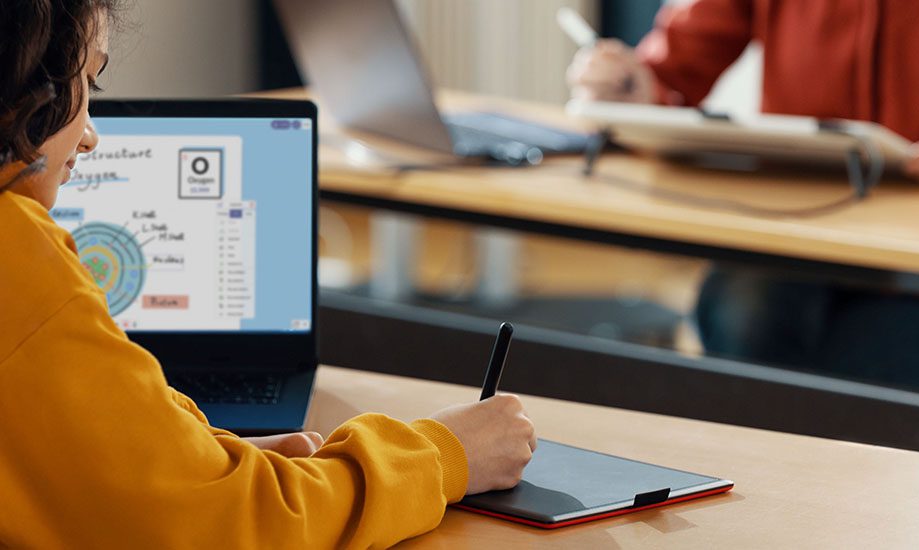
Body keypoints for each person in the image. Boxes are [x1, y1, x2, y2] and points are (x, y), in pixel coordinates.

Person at [0, 1, 535, 547]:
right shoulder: (16, 250)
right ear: (26, 84)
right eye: (85, 81)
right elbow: (235, 525)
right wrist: (446, 453)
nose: (89, 135)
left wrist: (198, 461)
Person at [568, 0, 919, 412]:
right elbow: (668, 76)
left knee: (769, 373)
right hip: (795, 270)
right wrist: (630, 88)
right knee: (741, 311)